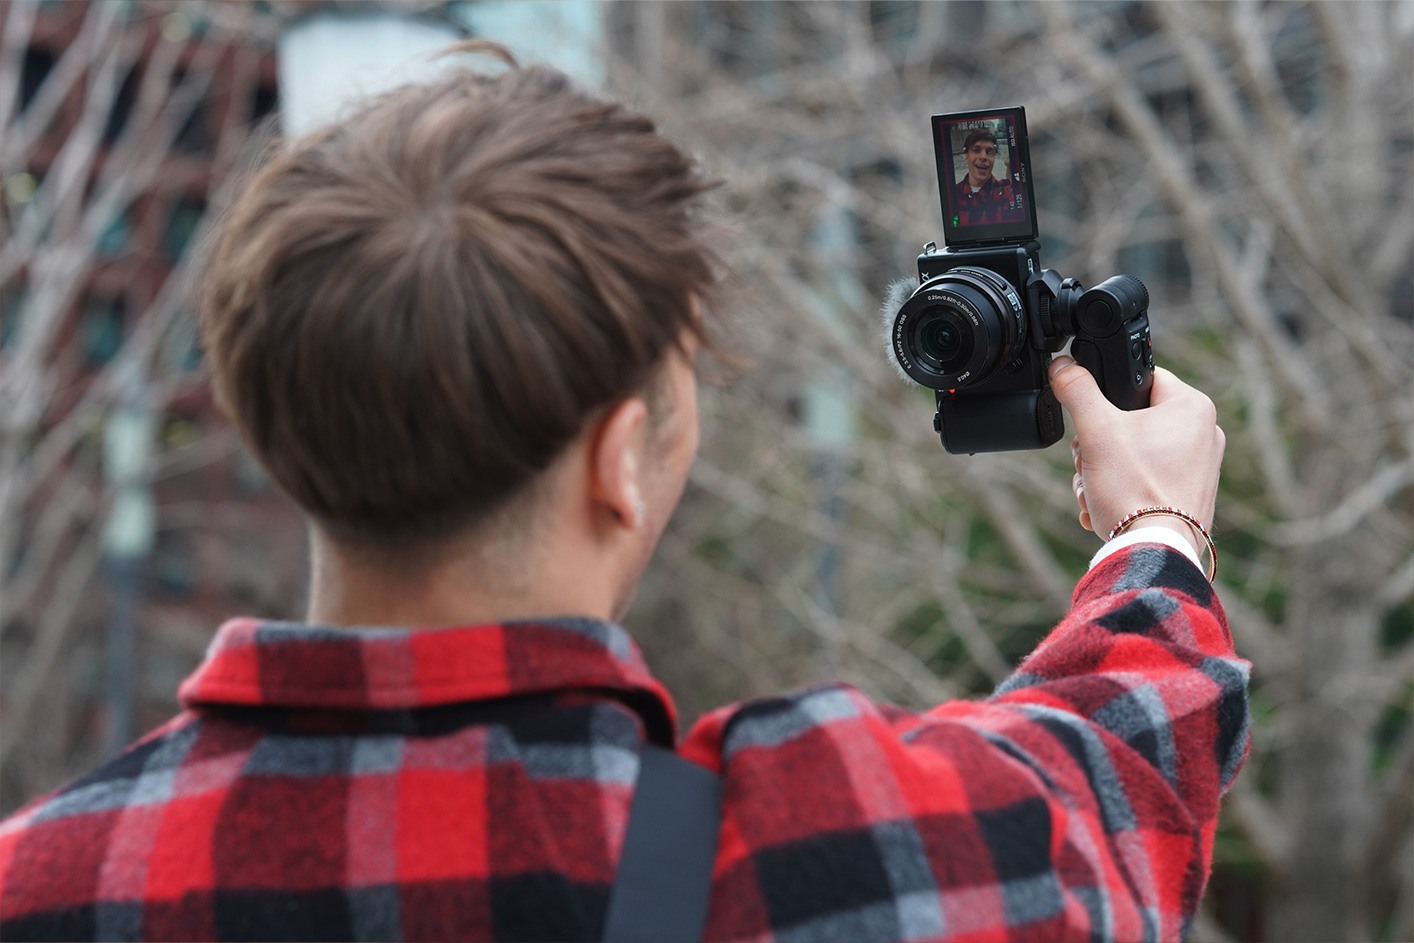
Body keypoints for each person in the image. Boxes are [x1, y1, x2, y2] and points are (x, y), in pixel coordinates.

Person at [0, 44, 1246, 943]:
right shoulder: (817, 858)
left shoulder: (47, 877)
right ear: (619, 458)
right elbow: (1109, 783)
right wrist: (1158, 532)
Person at [950, 127, 1026, 226]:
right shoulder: (952, 195)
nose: (983, 157)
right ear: (967, 157)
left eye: (990, 152)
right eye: (976, 150)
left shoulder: (1007, 191)